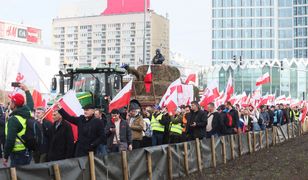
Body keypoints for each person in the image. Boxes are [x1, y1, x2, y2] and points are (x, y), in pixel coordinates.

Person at [3, 83, 34, 167]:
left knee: (16, 176)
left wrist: (5, 156)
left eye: (11, 102)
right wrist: (26, 90)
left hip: (18, 154)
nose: (9, 104)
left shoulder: (14, 120)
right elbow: (31, 104)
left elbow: (10, 140)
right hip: (27, 150)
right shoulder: (27, 112)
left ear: (14, 104)